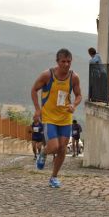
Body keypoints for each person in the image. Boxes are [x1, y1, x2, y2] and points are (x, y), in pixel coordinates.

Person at [31, 48, 82, 188]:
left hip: (65, 117)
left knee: (62, 149)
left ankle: (53, 177)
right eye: (63, 61)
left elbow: (79, 95)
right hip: (49, 117)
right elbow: (34, 90)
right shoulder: (47, 75)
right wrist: (37, 109)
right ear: (57, 62)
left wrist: (74, 104)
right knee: (54, 146)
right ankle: (43, 152)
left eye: (68, 61)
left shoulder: (74, 77)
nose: (66, 64)